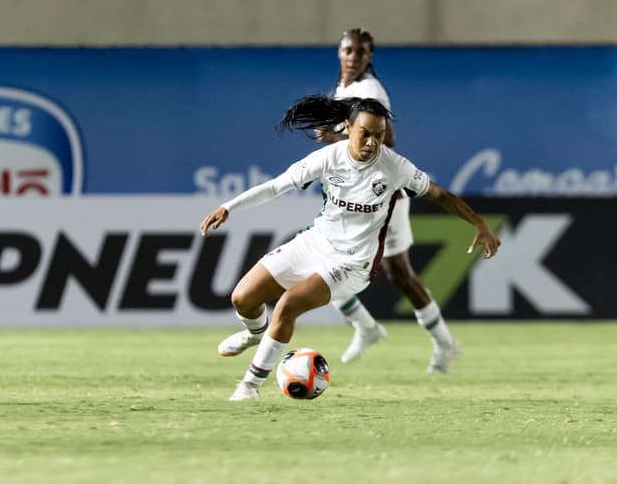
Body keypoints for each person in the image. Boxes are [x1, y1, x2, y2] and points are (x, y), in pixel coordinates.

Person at [201, 95, 500, 401]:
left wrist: (479, 224)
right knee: (242, 298)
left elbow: (441, 195)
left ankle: (249, 387)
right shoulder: (328, 158)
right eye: (365, 134)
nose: (372, 143)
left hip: (353, 263)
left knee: (287, 306)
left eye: (379, 135)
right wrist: (229, 207)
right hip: (315, 242)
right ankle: (256, 334)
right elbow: (277, 186)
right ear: (347, 127)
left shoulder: (394, 167)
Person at [320, 28, 461, 373]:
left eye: (360, 52)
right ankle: (369, 327)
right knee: (327, 258)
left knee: (399, 274)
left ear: (369, 57)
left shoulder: (368, 90)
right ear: (339, 52)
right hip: (352, 195)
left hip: (381, 197)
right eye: (348, 50)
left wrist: (331, 134)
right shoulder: (343, 90)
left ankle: (440, 343)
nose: (353, 56)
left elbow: (389, 140)